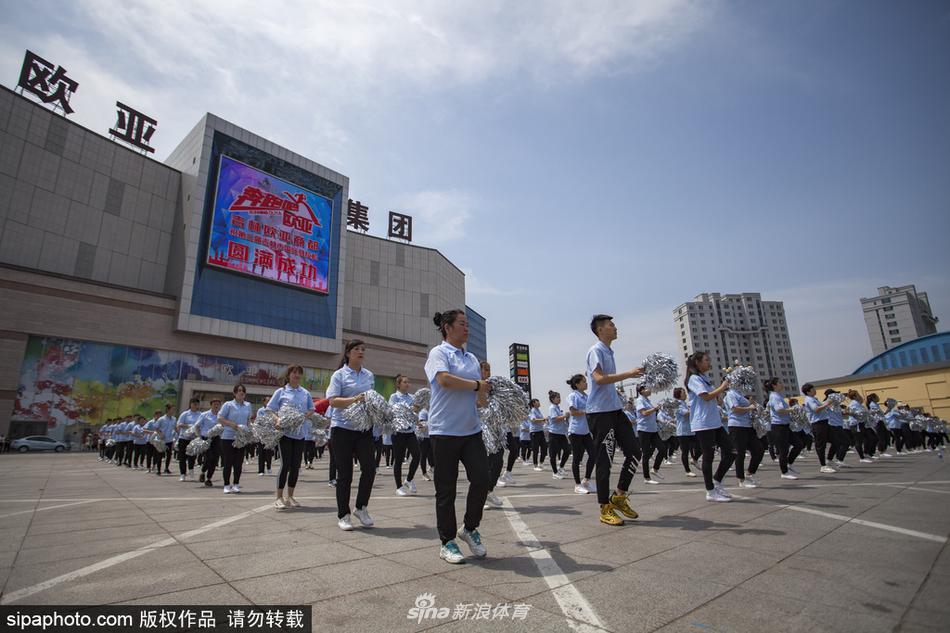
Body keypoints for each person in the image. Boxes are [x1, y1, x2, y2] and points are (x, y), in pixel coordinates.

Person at [425, 309, 490, 564]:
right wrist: (476, 385)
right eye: (462, 324)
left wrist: (484, 392)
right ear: (447, 327)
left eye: (467, 324)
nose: (467, 328)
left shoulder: (472, 358)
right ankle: (447, 542)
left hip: (471, 429)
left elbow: (479, 399)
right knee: (446, 490)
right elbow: (444, 380)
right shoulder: (438, 353)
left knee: (482, 479)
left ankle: (470, 528)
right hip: (444, 430)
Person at [584, 314, 644, 526]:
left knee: (635, 452)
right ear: (600, 330)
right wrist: (628, 374)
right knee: (605, 460)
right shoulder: (596, 350)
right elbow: (598, 379)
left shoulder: (609, 351)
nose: (615, 327)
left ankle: (618, 496)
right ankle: (604, 508)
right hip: (600, 413)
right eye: (611, 325)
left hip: (615, 411)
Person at [327, 341, 377, 530]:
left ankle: (361, 507)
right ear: (348, 353)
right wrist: (355, 399)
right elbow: (333, 401)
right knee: (345, 474)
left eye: (363, 349)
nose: (361, 352)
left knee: (370, 469)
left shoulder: (369, 375)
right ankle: (344, 514)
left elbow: (371, 399)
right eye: (357, 349)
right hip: (342, 429)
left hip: (364, 429)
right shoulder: (339, 375)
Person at [685, 352, 735, 501]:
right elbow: (705, 396)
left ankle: (717, 481)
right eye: (706, 360)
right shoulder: (693, 379)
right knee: (709, 456)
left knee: (732, 451)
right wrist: (722, 386)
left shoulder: (704, 378)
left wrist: (721, 391)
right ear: (697, 363)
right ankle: (710, 491)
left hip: (715, 422)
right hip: (703, 423)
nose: (709, 362)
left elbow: (715, 399)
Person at [268, 365, 315, 510]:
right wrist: (277, 419)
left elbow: (311, 409)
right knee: (285, 464)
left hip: (300, 434)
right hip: (286, 434)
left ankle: (291, 496)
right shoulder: (281, 391)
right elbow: (270, 409)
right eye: (294, 373)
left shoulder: (305, 393)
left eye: (299, 373)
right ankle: (279, 497)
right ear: (288, 375)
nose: (297, 375)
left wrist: (303, 416)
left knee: (296, 466)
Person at [724, 384, 762, 488]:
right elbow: (735, 409)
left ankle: (749, 474)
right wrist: (749, 407)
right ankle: (741, 479)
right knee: (740, 453)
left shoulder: (740, 394)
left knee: (759, 450)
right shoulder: (731, 394)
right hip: (737, 426)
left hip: (748, 426)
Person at [390, 374, 422, 497]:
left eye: (408, 382)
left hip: (410, 432)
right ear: (398, 384)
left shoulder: (412, 397)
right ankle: (398, 487)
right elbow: (394, 411)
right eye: (405, 382)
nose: (407, 384)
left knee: (417, 455)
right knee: (398, 459)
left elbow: (414, 413)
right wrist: (410, 409)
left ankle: (408, 479)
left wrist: (418, 421)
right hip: (398, 433)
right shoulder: (394, 397)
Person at [218, 384, 252, 494]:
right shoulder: (228, 405)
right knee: (228, 462)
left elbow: (248, 420)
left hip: (241, 438)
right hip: (228, 437)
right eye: (239, 391)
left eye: (243, 391)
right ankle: (226, 484)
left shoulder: (248, 405)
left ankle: (236, 484)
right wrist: (231, 424)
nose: (241, 393)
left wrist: (250, 430)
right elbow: (220, 418)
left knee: (238, 462)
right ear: (234, 393)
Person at [765, 377, 801, 480]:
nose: (782, 384)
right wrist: (793, 409)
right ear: (774, 385)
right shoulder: (775, 397)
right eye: (780, 382)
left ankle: (789, 464)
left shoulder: (778, 396)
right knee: (783, 450)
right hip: (778, 426)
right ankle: (784, 472)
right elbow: (779, 410)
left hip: (785, 426)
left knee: (799, 444)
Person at [482, 361, 506, 509]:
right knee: (486, 463)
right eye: (485, 369)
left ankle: (488, 491)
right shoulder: (475, 386)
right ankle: (482, 495)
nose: (488, 372)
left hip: (496, 428)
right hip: (481, 429)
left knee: (498, 461)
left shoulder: (493, 387)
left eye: (489, 369)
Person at [566, 374, 596, 494]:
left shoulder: (587, 396)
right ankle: (577, 485)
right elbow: (573, 412)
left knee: (593, 455)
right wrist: (586, 411)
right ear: (577, 384)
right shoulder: (572, 396)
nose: (586, 383)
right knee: (577, 458)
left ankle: (586, 480)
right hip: (575, 431)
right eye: (583, 382)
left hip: (586, 431)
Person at [802, 384, 836, 474]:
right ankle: (823, 466)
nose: (814, 390)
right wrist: (826, 404)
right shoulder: (809, 399)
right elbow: (816, 409)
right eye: (812, 389)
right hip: (818, 424)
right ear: (808, 391)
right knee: (821, 445)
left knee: (836, 441)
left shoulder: (814, 399)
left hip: (824, 423)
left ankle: (829, 460)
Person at [635, 385, 663, 485]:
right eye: (647, 389)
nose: (649, 390)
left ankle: (655, 469)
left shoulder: (647, 400)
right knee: (646, 454)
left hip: (653, 430)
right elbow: (644, 413)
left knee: (663, 449)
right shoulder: (640, 400)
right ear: (641, 391)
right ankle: (646, 478)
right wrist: (654, 409)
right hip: (644, 430)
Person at [196, 399, 223, 486]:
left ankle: (209, 478)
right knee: (209, 457)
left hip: (216, 439)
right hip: (206, 438)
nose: (216, 406)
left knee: (215, 459)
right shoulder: (204, 414)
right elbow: (197, 426)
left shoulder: (221, 416)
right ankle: (203, 472)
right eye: (215, 404)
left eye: (218, 404)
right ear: (211, 405)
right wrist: (199, 437)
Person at [672, 388, 698, 477]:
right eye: (683, 393)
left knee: (700, 445)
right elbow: (686, 414)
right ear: (679, 394)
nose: (685, 394)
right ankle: (687, 470)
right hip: (683, 431)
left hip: (690, 430)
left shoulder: (685, 404)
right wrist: (694, 407)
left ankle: (695, 459)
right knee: (685, 452)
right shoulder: (677, 404)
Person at [547, 390, 571, 480]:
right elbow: (555, 419)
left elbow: (560, 419)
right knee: (553, 454)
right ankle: (555, 472)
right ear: (552, 399)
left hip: (561, 433)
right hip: (554, 433)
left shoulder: (557, 407)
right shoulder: (552, 408)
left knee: (567, 450)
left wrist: (565, 419)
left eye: (559, 397)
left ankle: (561, 468)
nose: (559, 399)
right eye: (557, 397)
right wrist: (565, 416)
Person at [176, 398, 201, 481]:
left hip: (193, 438)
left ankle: (191, 469)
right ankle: (182, 474)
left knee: (192, 456)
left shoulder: (200, 414)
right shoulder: (185, 414)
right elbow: (179, 425)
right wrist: (189, 426)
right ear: (190, 404)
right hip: (184, 437)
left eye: (196, 404)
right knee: (182, 456)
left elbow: (201, 425)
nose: (195, 405)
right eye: (193, 404)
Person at [528, 399, 546, 471]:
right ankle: (535, 465)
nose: (539, 403)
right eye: (537, 402)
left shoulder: (538, 410)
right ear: (533, 403)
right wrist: (543, 419)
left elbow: (540, 420)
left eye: (539, 401)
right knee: (535, 449)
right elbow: (533, 420)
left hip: (540, 431)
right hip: (534, 432)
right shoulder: (532, 410)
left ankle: (541, 463)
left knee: (544, 448)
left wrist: (543, 420)